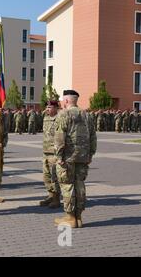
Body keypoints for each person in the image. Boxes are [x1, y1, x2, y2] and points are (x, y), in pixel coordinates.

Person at [54, 90, 97, 229]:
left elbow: (60, 138)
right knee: (79, 184)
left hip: (68, 157)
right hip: (83, 157)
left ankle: (70, 217)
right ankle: (79, 217)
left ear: (66, 101)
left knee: (67, 185)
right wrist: (90, 154)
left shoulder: (64, 114)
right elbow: (93, 137)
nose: (61, 102)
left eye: (62, 100)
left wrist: (59, 156)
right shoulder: (87, 115)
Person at [39, 101, 61, 208]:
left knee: (54, 176)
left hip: (54, 153)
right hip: (46, 152)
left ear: (56, 108)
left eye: (50, 107)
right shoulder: (46, 118)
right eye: (46, 107)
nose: (47, 109)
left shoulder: (60, 118)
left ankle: (56, 199)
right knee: (46, 176)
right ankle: (50, 196)